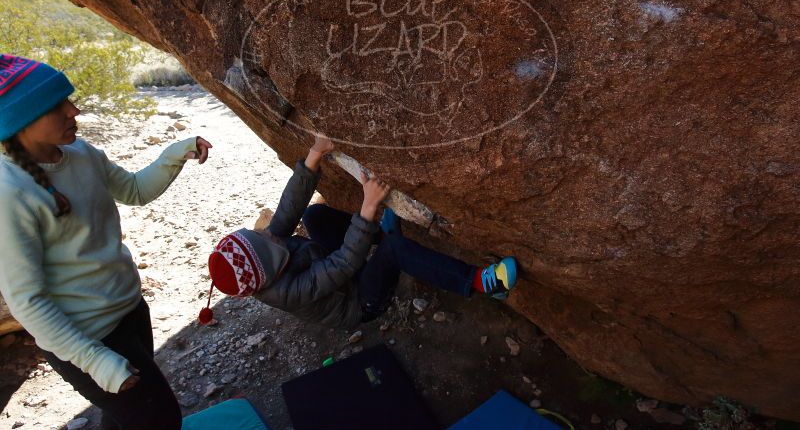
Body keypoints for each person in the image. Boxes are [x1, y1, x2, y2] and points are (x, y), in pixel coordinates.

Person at [0, 54, 213, 429]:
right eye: (57, 106)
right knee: (161, 420)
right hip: (87, 339)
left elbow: (133, 189)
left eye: (69, 99)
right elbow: (27, 302)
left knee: (126, 419)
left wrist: (176, 152)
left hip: (129, 311)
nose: (74, 110)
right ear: (20, 121)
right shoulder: (10, 192)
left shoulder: (81, 154)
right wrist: (95, 360)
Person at [201, 134, 517, 330]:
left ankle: (381, 232)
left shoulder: (265, 254)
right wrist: (367, 207)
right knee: (394, 250)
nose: (268, 234)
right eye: (263, 241)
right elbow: (342, 266)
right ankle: (480, 282)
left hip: (333, 273)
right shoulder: (286, 293)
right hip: (358, 302)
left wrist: (314, 154)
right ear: (266, 269)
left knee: (314, 215)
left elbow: (289, 209)